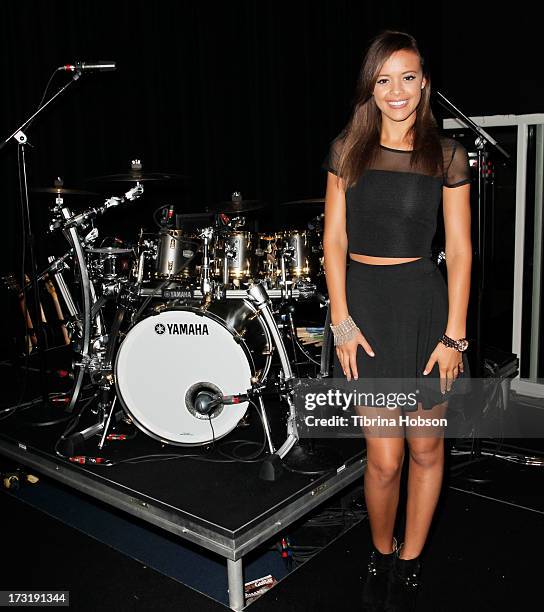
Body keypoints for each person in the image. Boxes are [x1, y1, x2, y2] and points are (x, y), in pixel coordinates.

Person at [322, 30, 472, 611]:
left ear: (424, 83)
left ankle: (409, 564)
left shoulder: (447, 154)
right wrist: (341, 319)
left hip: (424, 305)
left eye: (407, 77)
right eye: (384, 79)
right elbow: (333, 241)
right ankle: (380, 552)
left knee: (428, 450)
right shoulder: (346, 150)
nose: (397, 91)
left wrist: (454, 334)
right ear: (370, 88)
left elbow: (459, 252)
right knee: (384, 459)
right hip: (366, 309)